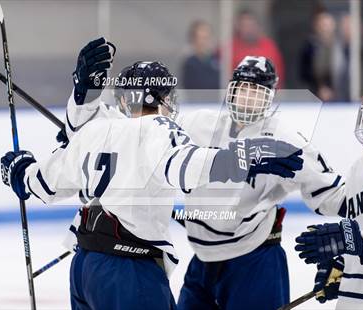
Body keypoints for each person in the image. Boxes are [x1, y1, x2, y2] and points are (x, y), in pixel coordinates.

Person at [0, 38, 303, 310]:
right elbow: (188, 165)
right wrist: (242, 158)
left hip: (84, 269)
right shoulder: (160, 130)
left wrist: (20, 168)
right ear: (158, 97)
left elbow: (43, 184)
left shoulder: (96, 130)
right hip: (131, 272)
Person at [63, 52, 347, 310]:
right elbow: (142, 130)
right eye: (242, 89)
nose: (247, 99)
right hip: (203, 260)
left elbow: (334, 196)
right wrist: (97, 134)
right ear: (231, 91)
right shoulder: (199, 124)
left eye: (257, 92)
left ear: (271, 98)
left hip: (255, 261)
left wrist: (348, 245)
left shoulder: (287, 140)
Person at [295, 85, 363, 309]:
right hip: (353, 298)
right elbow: (362, 223)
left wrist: (348, 239)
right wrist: (343, 263)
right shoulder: (360, 166)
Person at [231, 9, 285, 87]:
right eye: (244, 25)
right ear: (238, 27)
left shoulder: (270, 46)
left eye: (251, 25)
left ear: (257, 26)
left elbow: (279, 75)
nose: (248, 29)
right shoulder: (229, 49)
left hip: (266, 93)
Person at [181, 20, 220, 89]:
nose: (204, 42)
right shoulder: (190, 64)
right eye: (201, 38)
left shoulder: (217, 60)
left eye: (207, 37)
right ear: (193, 39)